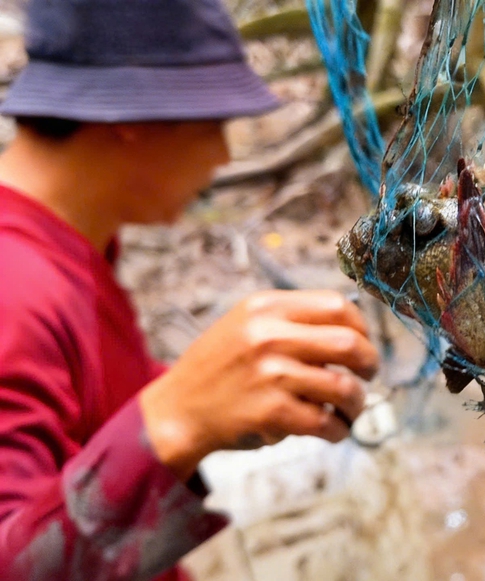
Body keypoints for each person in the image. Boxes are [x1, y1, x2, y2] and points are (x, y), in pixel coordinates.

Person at [0, 1, 379, 579]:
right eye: (211, 127)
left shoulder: (68, 248)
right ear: (132, 118)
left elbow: (81, 412)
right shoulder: (16, 289)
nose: (224, 157)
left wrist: (218, 405)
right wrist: (173, 420)